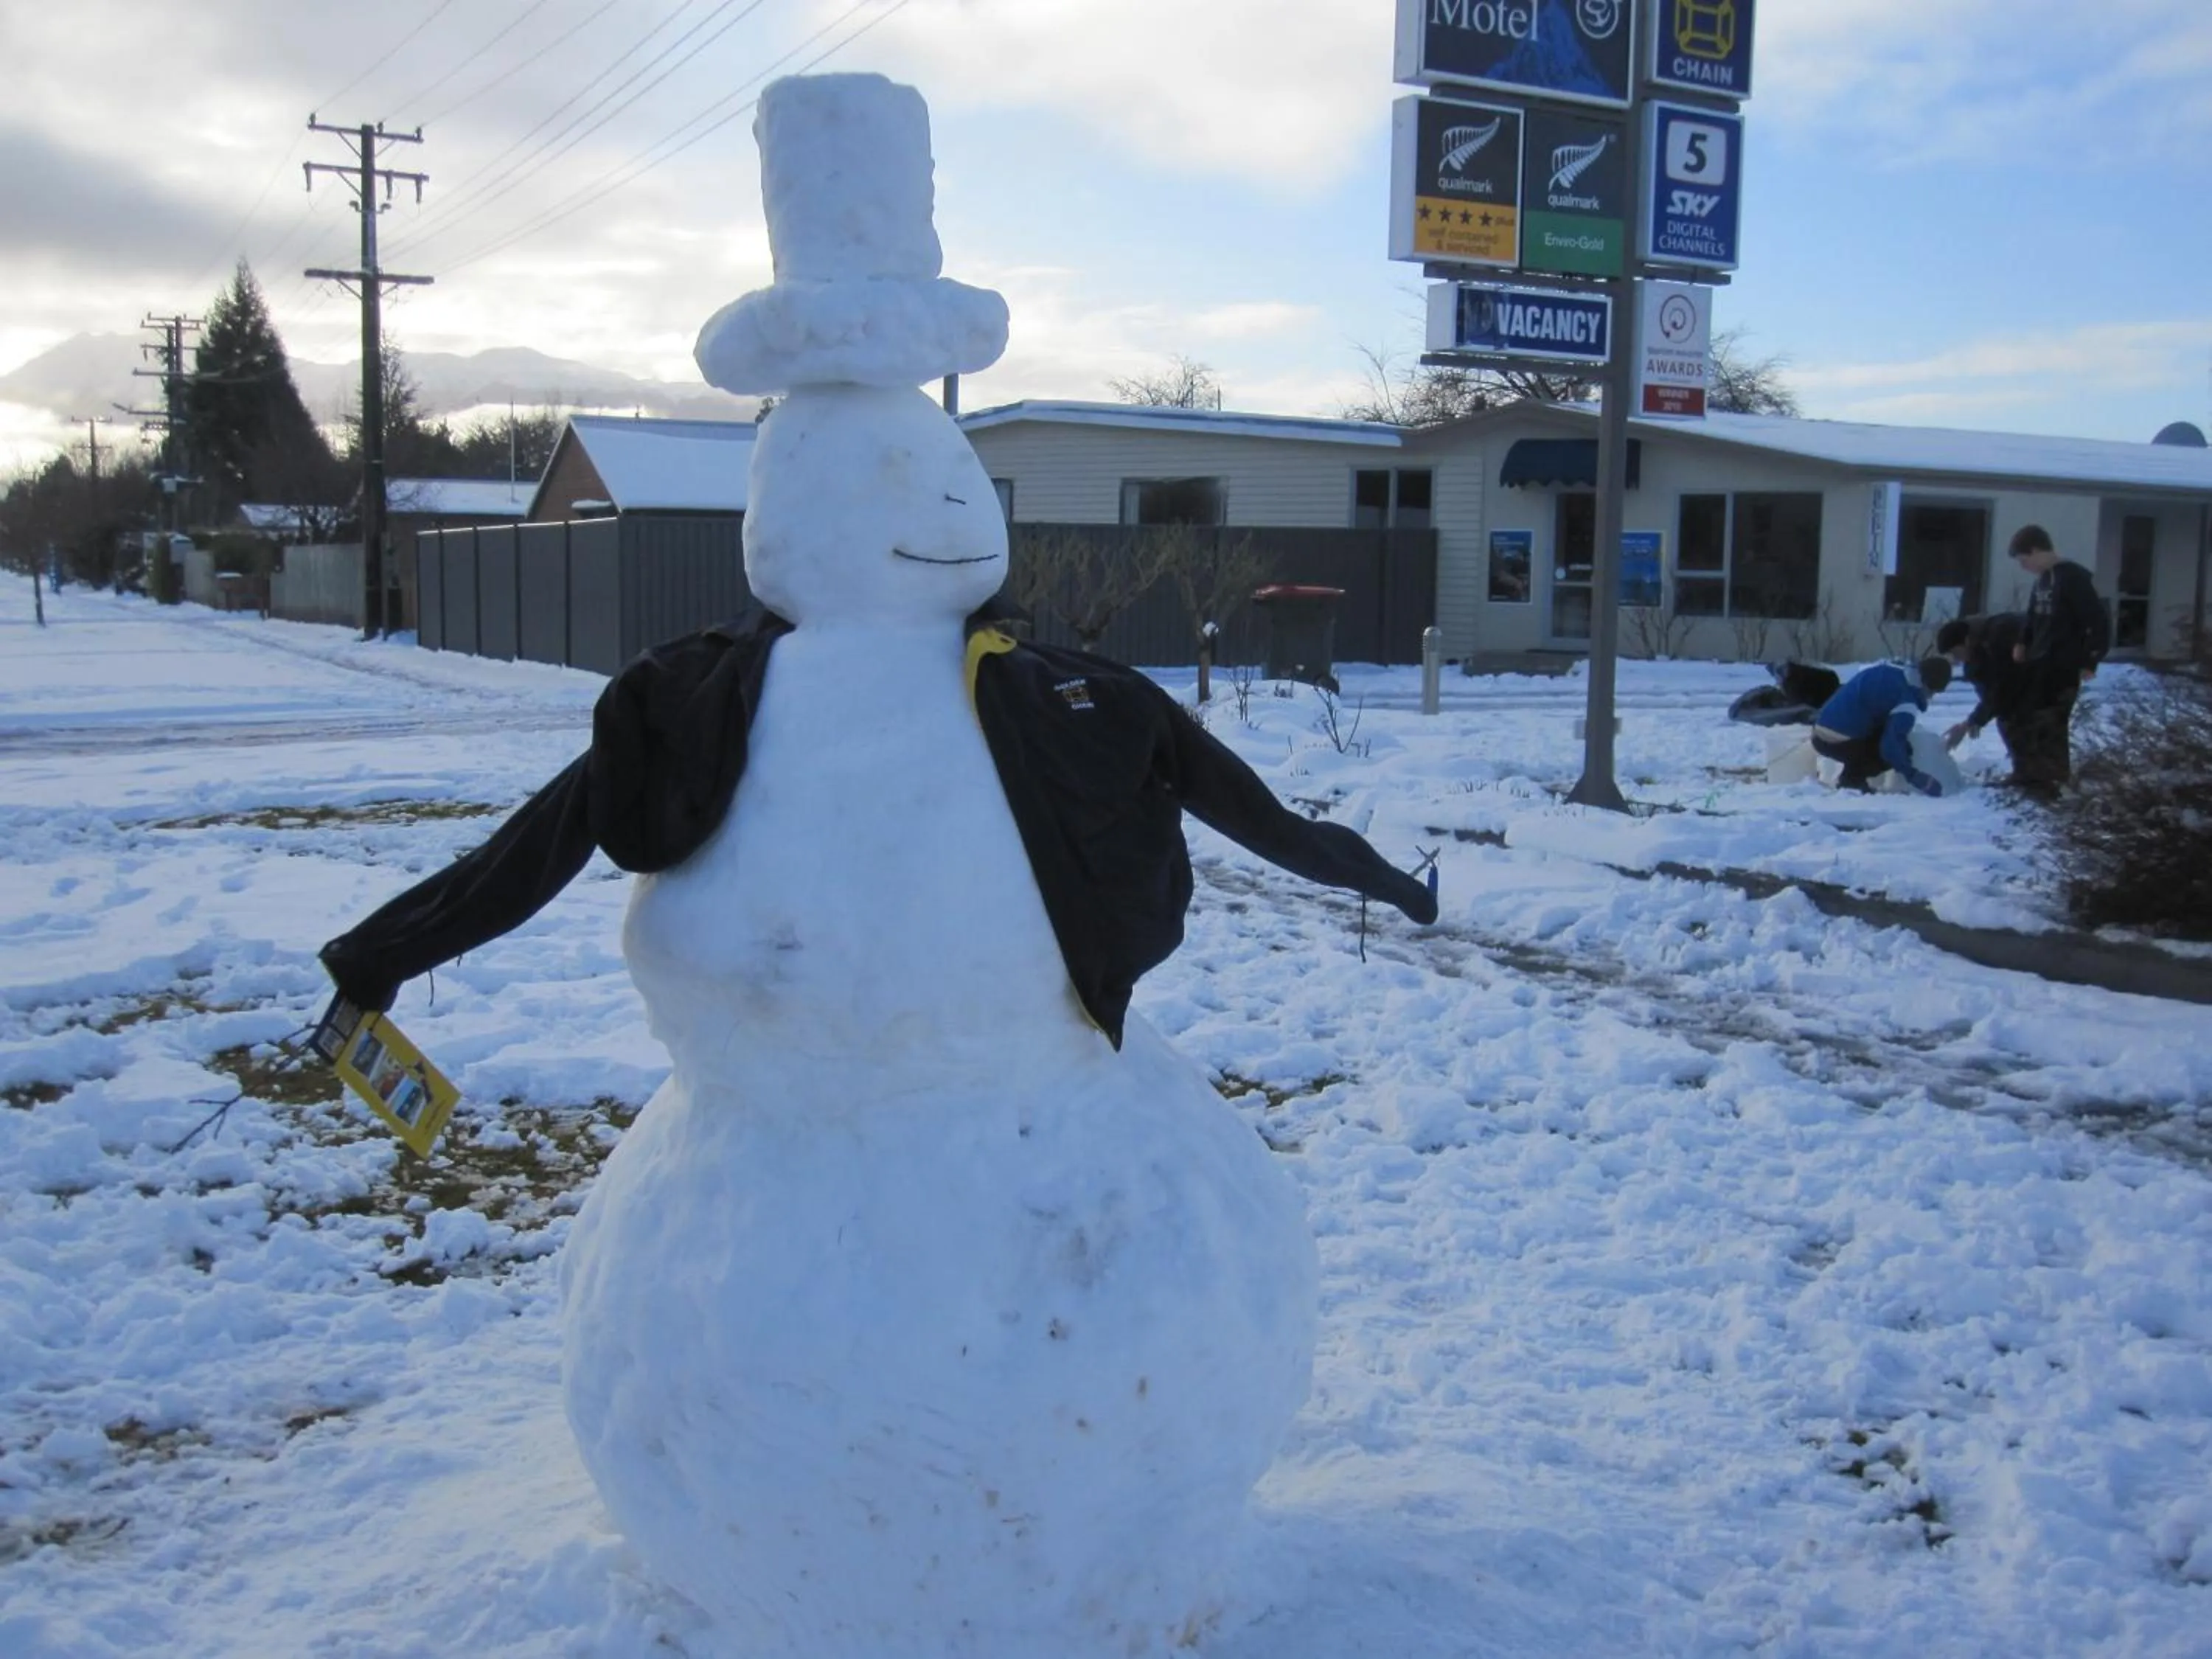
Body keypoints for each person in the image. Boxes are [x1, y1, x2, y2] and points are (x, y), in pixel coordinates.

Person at [2004, 524, 2110, 794]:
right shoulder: (2043, 580)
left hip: (2063, 662)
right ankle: (2033, 774)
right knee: (2029, 718)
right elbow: (2033, 616)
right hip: (2039, 660)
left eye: (2024, 560)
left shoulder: (2072, 578)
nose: (2024, 566)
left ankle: (2055, 778)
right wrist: (2022, 641)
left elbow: (2097, 620)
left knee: (2052, 722)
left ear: (2037, 550)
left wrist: (2090, 659)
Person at [1809, 654, 1954, 793]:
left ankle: (1851, 776)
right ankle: (1852, 780)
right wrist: (1913, 775)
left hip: (1818, 732)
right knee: (1902, 749)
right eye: (1936, 691)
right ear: (1930, 686)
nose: (1932, 697)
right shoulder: (1906, 702)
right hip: (1838, 740)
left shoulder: (1887, 672)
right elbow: (1890, 747)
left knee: (1880, 733)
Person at [1935, 611, 2031, 763]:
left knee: (2022, 720)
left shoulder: (1998, 637)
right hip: (2019, 683)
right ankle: (2024, 769)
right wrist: (1973, 721)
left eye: (1955, 652)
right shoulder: (1974, 661)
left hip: (2041, 673)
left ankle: (2037, 774)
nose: (1956, 659)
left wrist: (1972, 722)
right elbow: (1990, 698)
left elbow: (2003, 689)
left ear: (1966, 641)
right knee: (2007, 718)